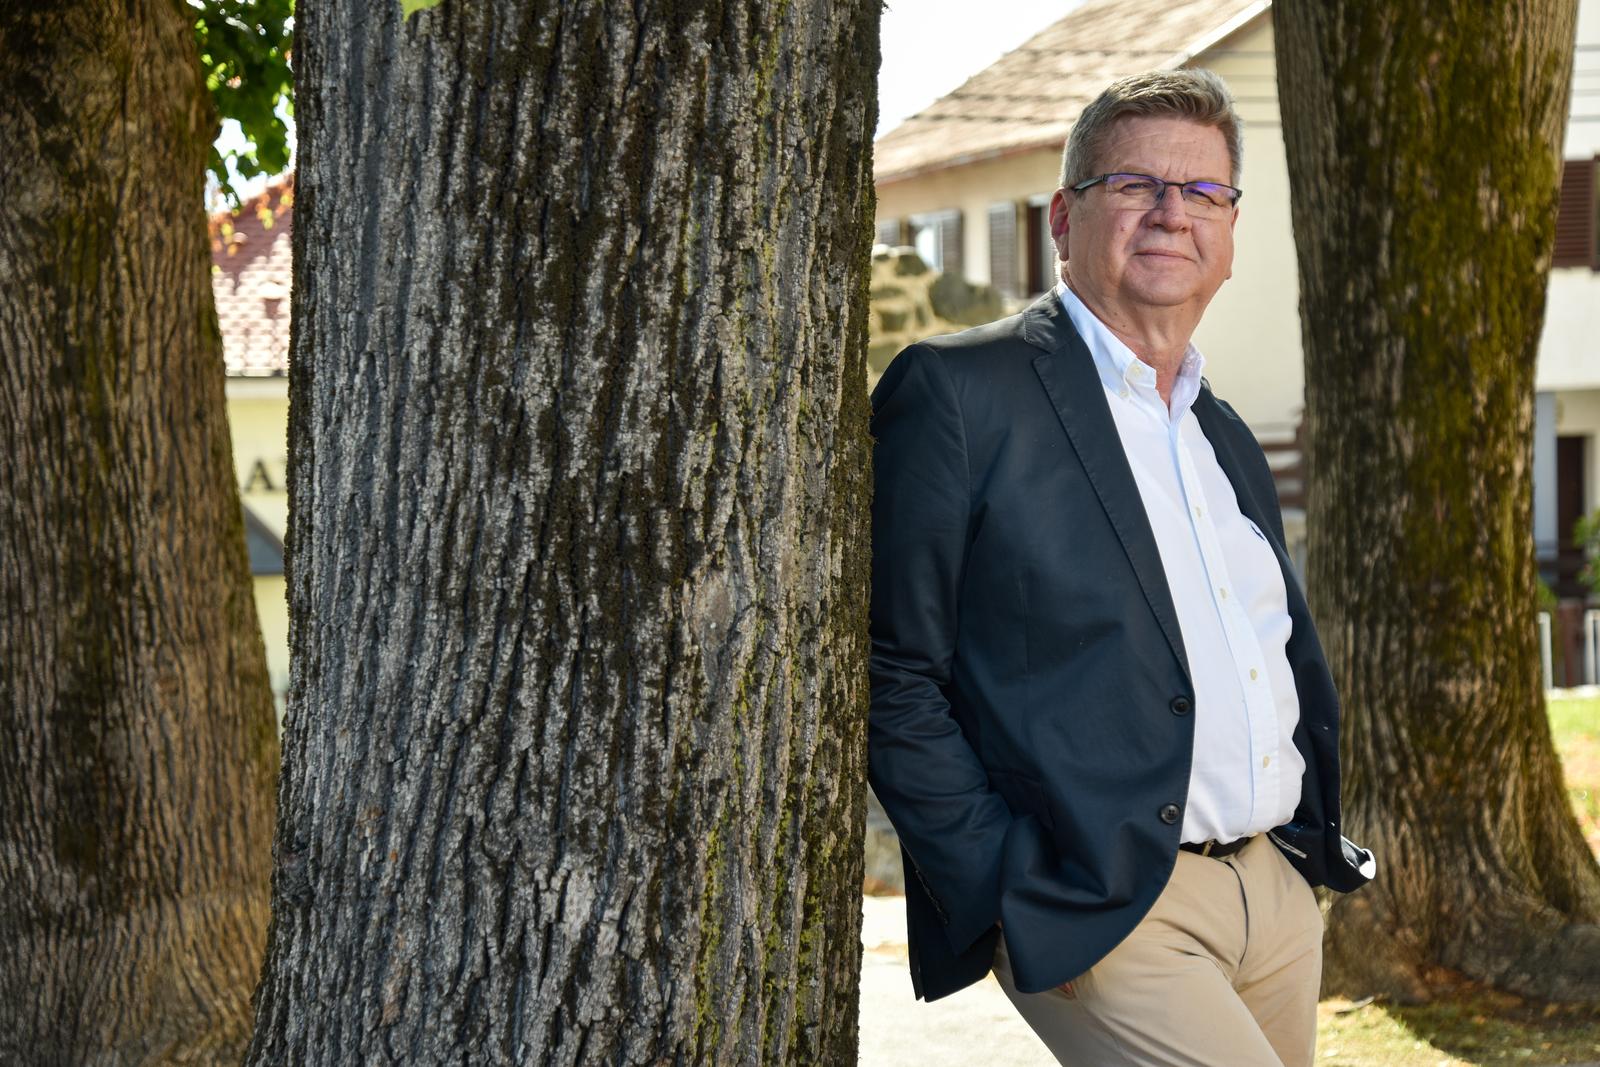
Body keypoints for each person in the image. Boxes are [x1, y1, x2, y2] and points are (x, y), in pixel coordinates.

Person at [867, 69, 1375, 1067]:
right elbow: (891, 674)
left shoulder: (1220, 431)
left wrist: (1295, 858)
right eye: (1134, 184)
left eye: (1201, 192)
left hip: (1272, 893)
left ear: (1229, 230)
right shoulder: (962, 395)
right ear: (1064, 216)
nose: (1169, 212)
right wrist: (1008, 886)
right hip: (1105, 900)